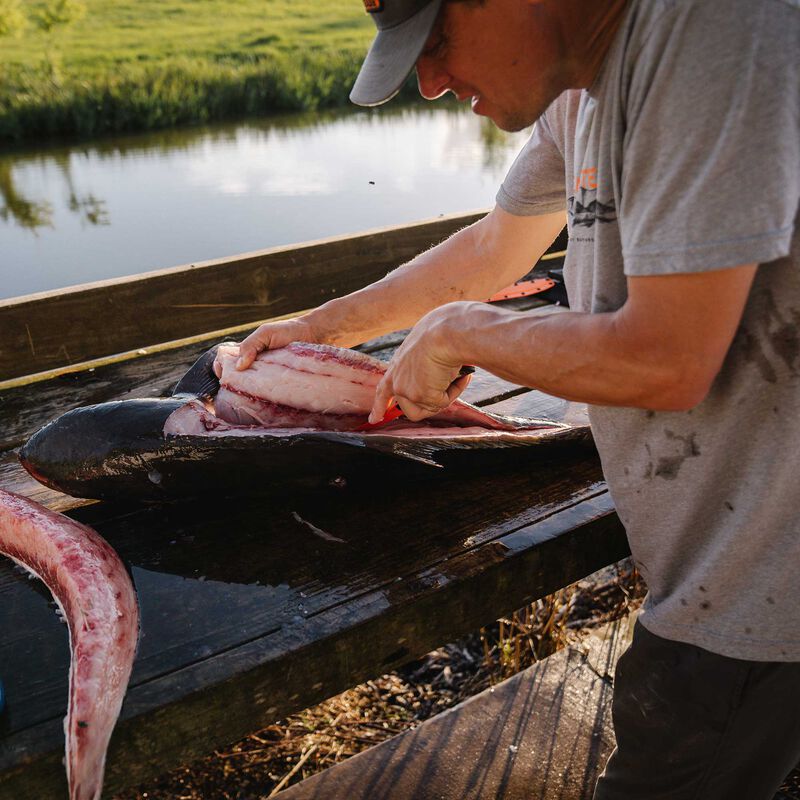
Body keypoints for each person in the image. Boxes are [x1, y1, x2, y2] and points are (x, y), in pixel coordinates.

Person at [237, 1, 800, 797]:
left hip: (764, 583)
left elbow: (669, 359)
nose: (428, 83)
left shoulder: (714, 30)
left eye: (435, 39)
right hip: (713, 551)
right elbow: (494, 249)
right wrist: (322, 328)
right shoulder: (579, 85)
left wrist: (462, 334)